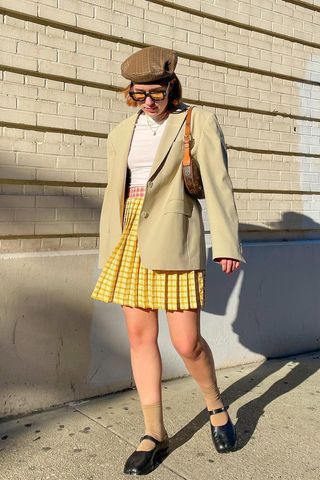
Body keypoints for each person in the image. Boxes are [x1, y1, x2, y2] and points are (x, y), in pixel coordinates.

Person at [91, 46, 246, 475]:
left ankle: (216, 407)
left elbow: (218, 184)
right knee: (141, 339)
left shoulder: (196, 121)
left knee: (186, 343)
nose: (147, 102)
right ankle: (153, 431)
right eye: (139, 94)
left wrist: (229, 243)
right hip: (128, 239)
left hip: (174, 235)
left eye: (154, 93)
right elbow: (114, 194)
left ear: (170, 87)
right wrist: (109, 245)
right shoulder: (122, 131)